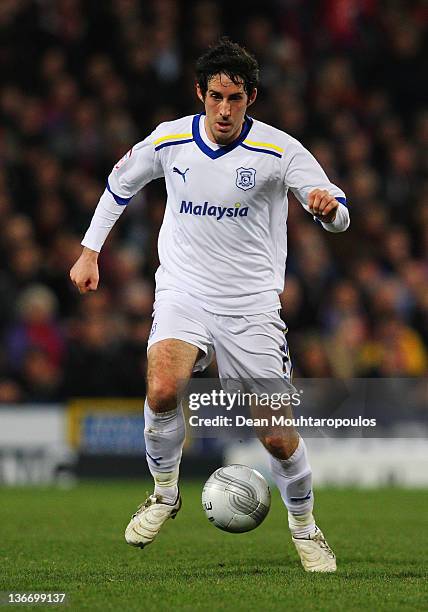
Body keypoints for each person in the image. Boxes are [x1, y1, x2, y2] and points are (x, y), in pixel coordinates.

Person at [70, 38, 349, 573]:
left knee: (276, 434)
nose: (224, 109)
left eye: (236, 98)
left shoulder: (280, 151)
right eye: (216, 96)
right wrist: (89, 251)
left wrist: (328, 210)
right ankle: (164, 493)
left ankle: (305, 527)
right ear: (200, 93)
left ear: (252, 98)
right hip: (184, 291)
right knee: (162, 386)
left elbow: (337, 211)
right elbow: (118, 185)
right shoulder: (171, 139)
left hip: (250, 307)